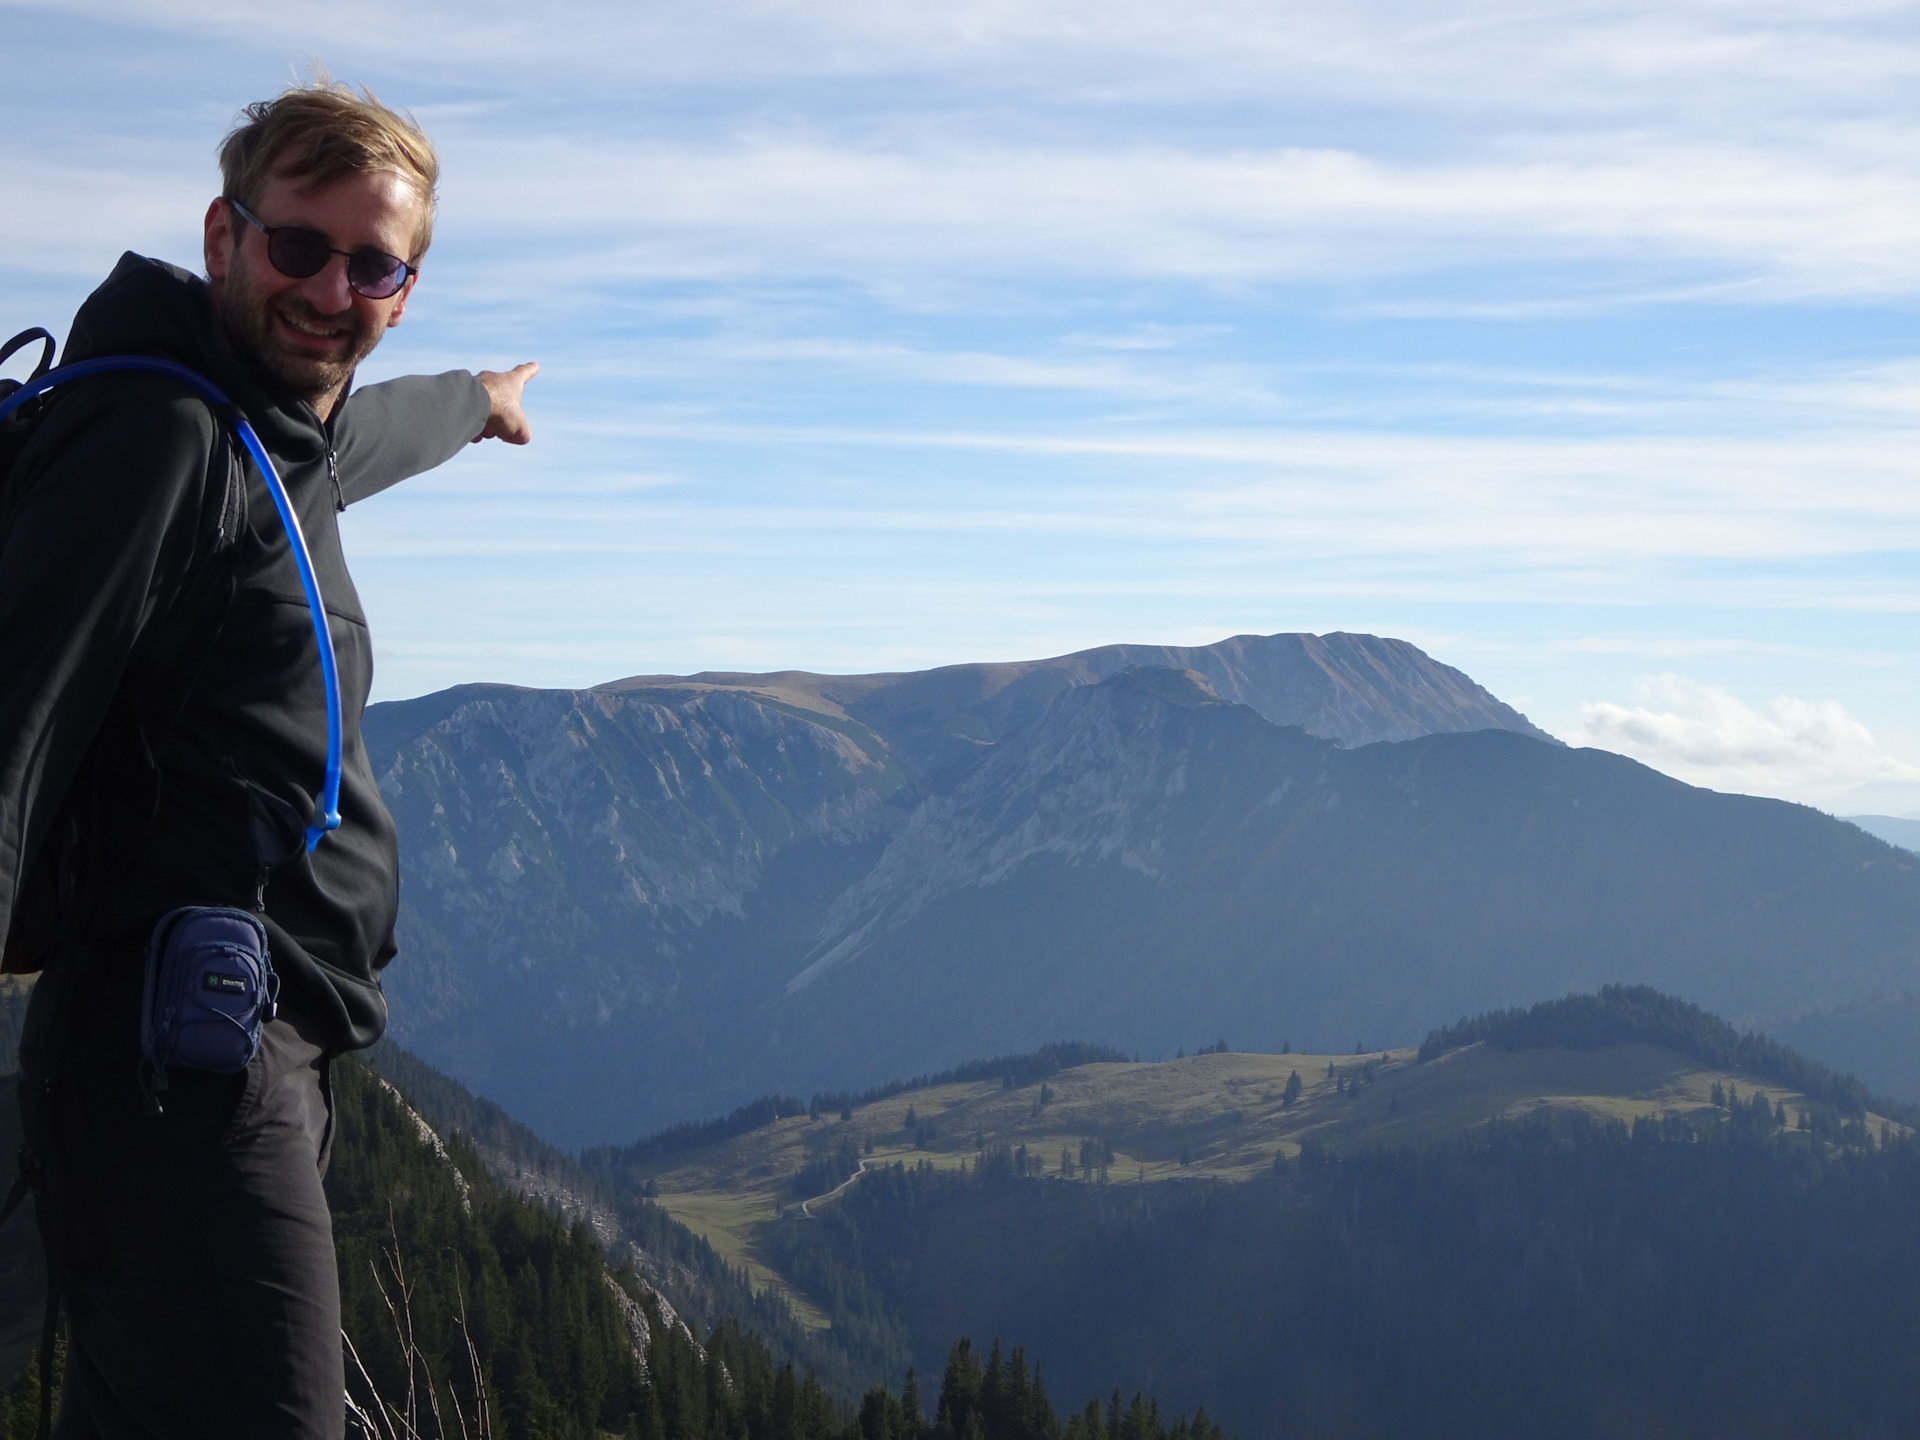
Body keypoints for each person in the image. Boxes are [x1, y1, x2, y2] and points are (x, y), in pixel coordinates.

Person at [0, 78, 536, 1437]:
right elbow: (14, 731)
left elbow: (361, 437)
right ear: (223, 236)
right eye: (299, 244)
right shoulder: (161, 441)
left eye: (372, 264)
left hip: (222, 1047)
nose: (329, 287)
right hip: (175, 1076)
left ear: (405, 288)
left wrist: (477, 401)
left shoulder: (262, 428)